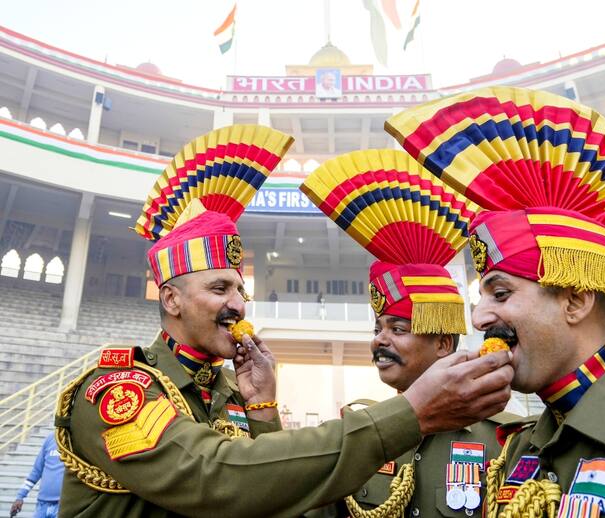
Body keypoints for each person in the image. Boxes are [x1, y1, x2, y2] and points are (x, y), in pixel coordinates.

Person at [55, 124, 514, 518]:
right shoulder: (119, 389)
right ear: (171, 299)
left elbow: (274, 499)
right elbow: (217, 478)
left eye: (241, 290)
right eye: (219, 289)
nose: (238, 305)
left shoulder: (231, 393)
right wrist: (409, 415)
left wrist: (263, 410)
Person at [386, 86, 605, 517]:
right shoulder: (516, 450)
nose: (480, 316)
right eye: (482, 295)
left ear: (576, 301)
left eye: (501, 294)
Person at [301, 148, 524, 517]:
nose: (379, 340)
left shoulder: (508, 439)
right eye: (378, 328)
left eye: (398, 328)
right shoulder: (355, 432)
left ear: (442, 343)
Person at [10, 433, 63, 518]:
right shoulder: (50, 438)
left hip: (63, 506)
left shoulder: (77, 440)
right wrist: (20, 497)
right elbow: (36, 471)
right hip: (42, 505)